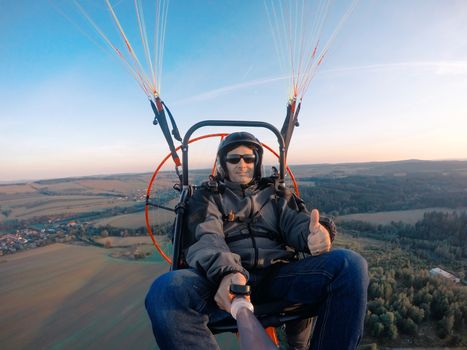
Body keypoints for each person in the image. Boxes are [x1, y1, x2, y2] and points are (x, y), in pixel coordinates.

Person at [145, 132, 369, 350]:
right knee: (165, 291)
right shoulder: (206, 197)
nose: (242, 164)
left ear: (257, 161)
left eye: (248, 158)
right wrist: (229, 273)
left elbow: (296, 223)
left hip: (277, 276)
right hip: (222, 284)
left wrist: (314, 236)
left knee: (350, 265)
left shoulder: (276, 194)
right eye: (234, 158)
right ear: (223, 164)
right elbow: (207, 237)